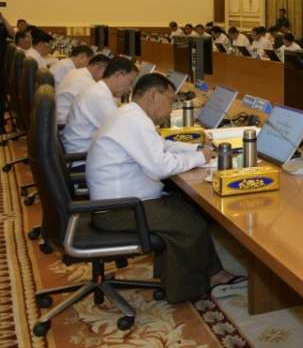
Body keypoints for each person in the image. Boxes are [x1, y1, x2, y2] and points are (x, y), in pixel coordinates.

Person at [86, 73, 239, 303]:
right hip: (119, 210)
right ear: (154, 95)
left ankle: (210, 273)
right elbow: (160, 167)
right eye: (169, 101)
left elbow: (161, 145)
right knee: (189, 224)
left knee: (186, 209)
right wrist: (200, 157)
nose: (169, 110)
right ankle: (191, 288)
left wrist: (196, 150)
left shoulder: (130, 114)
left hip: (122, 201)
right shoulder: (134, 121)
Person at [62, 57, 138, 154]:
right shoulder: (99, 96)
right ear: (118, 75)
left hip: (80, 148)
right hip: (81, 155)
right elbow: (122, 132)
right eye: (130, 82)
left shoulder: (99, 90)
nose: (130, 89)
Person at [56, 53, 109, 121]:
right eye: (106, 73)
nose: (105, 77)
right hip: (63, 120)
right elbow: (101, 107)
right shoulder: (88, 82)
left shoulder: (76, 71)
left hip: (58, 114)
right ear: (99, 67)